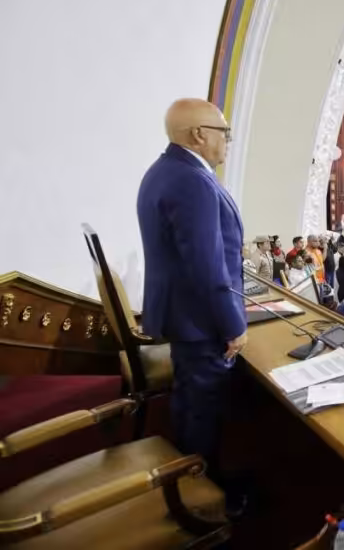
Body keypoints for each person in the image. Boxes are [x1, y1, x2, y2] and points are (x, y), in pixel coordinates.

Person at [137, 98, 246, 511]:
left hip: (183, 314)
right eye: (224, 132)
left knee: (191, 404)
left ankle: (193, 477)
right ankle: (203, 500)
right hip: (201, 321)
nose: (228, 141)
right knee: (203, 411)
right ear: (199, 135)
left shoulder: (165, 171)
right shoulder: (192, 181)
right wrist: (233, 325)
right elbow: (206, 266)